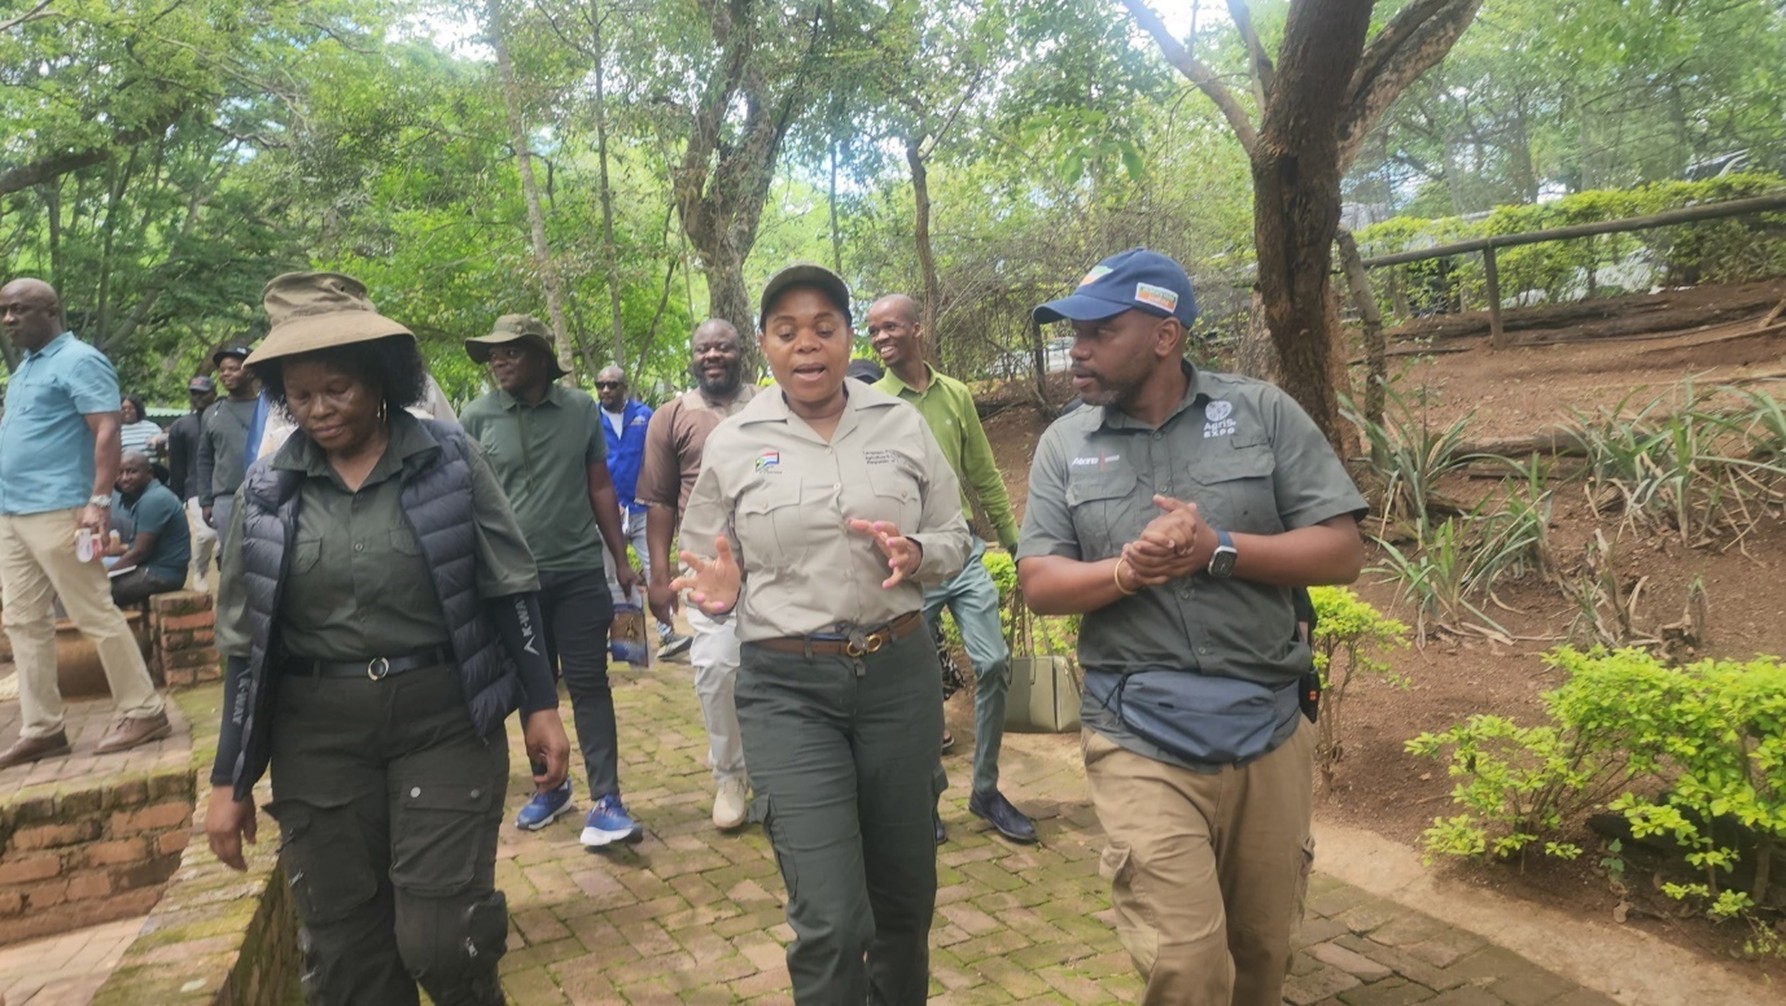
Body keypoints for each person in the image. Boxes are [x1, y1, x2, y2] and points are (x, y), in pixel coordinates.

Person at [203, 272, 571, 1006]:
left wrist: (540, 704)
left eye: (336, 389)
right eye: (300, 395)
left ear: (378, 379)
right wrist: (228, 779)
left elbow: (509, 585)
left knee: (443, 940)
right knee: (348, 961)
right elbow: (245, 644)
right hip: (318, 741)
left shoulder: (450, 460)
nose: (319, 409)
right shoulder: (267, 492)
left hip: (443, 723)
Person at [1014, 248, 1367, 1006]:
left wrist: (1220, 550)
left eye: (1100, 331)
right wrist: (1126, 572)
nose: (1077, 349)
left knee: (1262, 952)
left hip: (1268, 724)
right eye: (1074, 333)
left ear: (1165, 335)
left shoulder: (1261, 413)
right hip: (1137, 731)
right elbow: (1039, 582)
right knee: (1187, 961)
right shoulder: (1064, 446)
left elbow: (1341, 552)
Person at [672, 264, 970, 1004]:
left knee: (904, 903)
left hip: (898, 679)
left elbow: (955, 536)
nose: (806, 344)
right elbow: (702, 562)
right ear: (765, 346)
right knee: (832, 921)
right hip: (788, 692)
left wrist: (917, 553)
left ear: (846, 337)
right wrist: (717, 597)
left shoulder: (901, 424)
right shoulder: (734, 443)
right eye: (787, 331)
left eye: (823, 328)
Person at [460, 315, 646, 847]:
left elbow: (599, 485)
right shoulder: (476, 417)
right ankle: (551, 786)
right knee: (533, 687)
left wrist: (621, 560)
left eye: (511, 352)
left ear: (541, 357)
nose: (498, 362)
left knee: (589, 683)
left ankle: (607, 800)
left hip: (578, 571)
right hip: (512, 582)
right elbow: (465, 497)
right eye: (493, 354)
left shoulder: (581, 409)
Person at [867, 293, 1037, 845]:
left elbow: (983, 473)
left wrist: (1016, 545)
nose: (880, 338)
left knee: (993, 663)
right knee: (915, 685)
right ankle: (924, 796)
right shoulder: (871, 405)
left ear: (918, 329)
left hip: (960, 552)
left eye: (890, 327)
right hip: (909, 562)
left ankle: (985, 789)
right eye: (873, 331)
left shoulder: (956, 395)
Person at [0, 278, 171, 769]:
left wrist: (98, 501)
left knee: (92, 609)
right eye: (4, 311)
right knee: (22, 620)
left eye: (18, 309)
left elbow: (107, 430)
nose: (8, 319)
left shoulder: (80, 360)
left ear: (51, 310)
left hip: (62, 509)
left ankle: (144, 711)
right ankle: (43, 728)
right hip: (13, 512)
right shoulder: (27, 367)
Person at [635, 318, 757, 831]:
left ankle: (778, 772)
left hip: (774, 561)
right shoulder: (671, 416)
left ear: (741, 351)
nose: (713, 355)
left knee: (778, 669)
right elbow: (659, 502)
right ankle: (730, 776)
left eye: (723, 347)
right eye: (704, 348)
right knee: (716, 668)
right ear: (693, 356)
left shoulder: (772, 405)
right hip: (707, 565)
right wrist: (658, 576)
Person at [595, 365, 689, 658]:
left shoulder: (644, 416)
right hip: (607, 514)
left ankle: (667, 635)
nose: (605, 390)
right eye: (600, 385)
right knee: (613, 577)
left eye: (612, 385)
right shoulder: (591, 419)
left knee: (654, 569)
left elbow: (659, 457)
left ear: (624, 388)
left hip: (641, 509)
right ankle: (625, 640)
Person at [196, 343, 260, 548]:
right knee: (231, 556)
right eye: (222, 370)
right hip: (226, 499)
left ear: (250, 372)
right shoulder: (212, 413)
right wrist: (206, 501)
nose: (225, 374)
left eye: (233, 369)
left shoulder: (269, 407)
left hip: (264, 493)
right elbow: (204, 459)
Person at [108, 450, 190, 605]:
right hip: (157, 569)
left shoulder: (153, 500)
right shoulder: (150, 495)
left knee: (98, 590)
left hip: (162, 575)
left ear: (148, 472)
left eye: (132, 472)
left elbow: (140, 552)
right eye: (120, 473)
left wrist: (107, 574)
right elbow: (137, 547)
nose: (124, 478)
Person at [165, 376, 219, 590]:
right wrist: (177, 497)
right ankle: (200, 569)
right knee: (207, 534)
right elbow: (177, 465)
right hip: (195, 487)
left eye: (203, 393)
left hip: (226, 485)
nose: (198, 397)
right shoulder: (181, 426)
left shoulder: (224, 418)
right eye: (194, 393)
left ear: (214, 394)